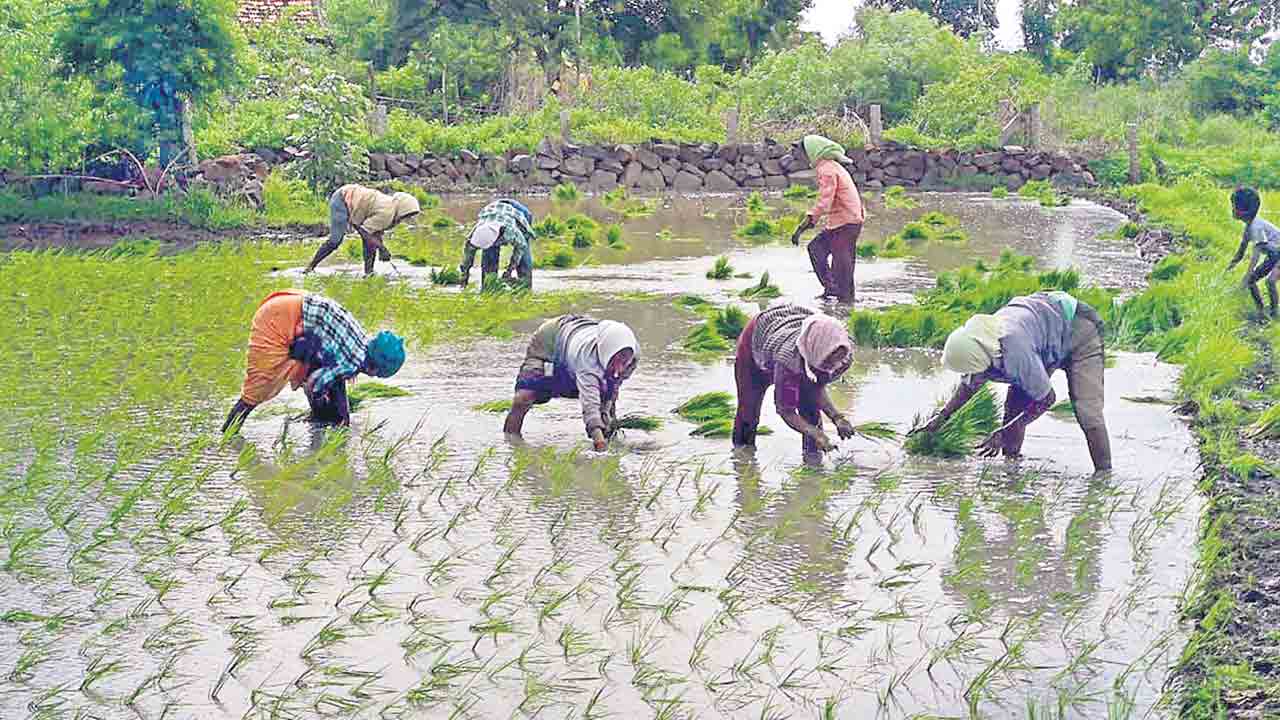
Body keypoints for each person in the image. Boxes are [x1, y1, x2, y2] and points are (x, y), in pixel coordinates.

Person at [914, 291, 1111, 472]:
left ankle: (1104, 479)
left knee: (1087, 411)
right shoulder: (980, 344)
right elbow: (968, 386)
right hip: (1042, 332)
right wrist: (942, 417)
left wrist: (1005, 432)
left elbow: (1047, 399)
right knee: (1014, 408)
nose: (972, 374)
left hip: (1079, 328)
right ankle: (1012, 471)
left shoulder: (1013, 350)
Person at [222, 290, 406, 433]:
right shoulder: (352, 362)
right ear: (374, 370)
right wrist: (323, 403)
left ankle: (318, 418)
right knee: (259, 388)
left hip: (295, 303)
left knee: (322, 372)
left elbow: (334, 374)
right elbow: (316, 382)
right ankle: (227, 436)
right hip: (277, 318)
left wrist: (340, 416)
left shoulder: (362, 341)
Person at [732, 303, 857, 456]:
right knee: (748, 412)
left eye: (838, 360)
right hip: (757, 341)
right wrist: (815, 433)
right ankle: (742, 459)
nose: (834, 366)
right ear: (817, 353)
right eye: (829, 362)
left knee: (811, 413)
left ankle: (812, 466)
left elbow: (816, 387)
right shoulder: (788, 361)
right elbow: (786, 410)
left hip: (796, 325)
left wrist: (838, 418)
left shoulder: (842, 351)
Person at [503, 315, 638, 451]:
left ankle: (611, 435)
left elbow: (614, 384)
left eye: (624, 361)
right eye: (615, 361)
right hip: (552, 340)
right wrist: (599, 444)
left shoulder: (632, 355)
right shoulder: (586, 361)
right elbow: (590, 405)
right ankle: (511, 442)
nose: (620, 368)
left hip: (580, 333)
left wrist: (607, 408)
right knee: (524, 397)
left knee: (606, 400)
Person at [788, 135, 865, 302]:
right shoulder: (830, 166)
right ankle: (832, 289)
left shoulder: (827, 170)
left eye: (802, 152)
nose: (800, 156)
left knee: (841, 264)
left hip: (846, 223)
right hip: (844, 221)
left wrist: (802, 227)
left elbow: (824, 202)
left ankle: (845, 302)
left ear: (813, 152)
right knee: (817, 249)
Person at [304, 184, 422, 276]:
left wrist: (380, 247)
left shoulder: (391, 210)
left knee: (370, 244)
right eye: (407, 215)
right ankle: (310, 267)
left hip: (354, 198)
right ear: (402, 209)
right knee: (335, 240)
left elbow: (375, 232)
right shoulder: (387, 213)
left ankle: (368, 273)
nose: (406, 219)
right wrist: (382, 249)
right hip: (342, 199)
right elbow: (364, 231)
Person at [1228, 187, 1280, 320]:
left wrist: (1246, 277)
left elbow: (1255, 256)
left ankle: (1274, 312)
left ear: (1242, 211)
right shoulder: (1249, 228)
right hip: (1274, 256)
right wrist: (1227, 269)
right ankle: (1261, 310)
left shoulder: (1256, 227)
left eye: (1233, 206)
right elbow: (1240, 253)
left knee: (1270, 281)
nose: (1232, 209)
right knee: (1252, 281)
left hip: (1277, 255)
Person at [461, 199, 536, 289]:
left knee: (523, 258)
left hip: (518, 212)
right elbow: (467, 257)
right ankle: (489, 287)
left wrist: (509, 271)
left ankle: (525, 287)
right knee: (489, 259)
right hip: (492, 210)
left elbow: (520, 247)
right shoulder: (476, 235)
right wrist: (465, 275)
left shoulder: (511, 231)